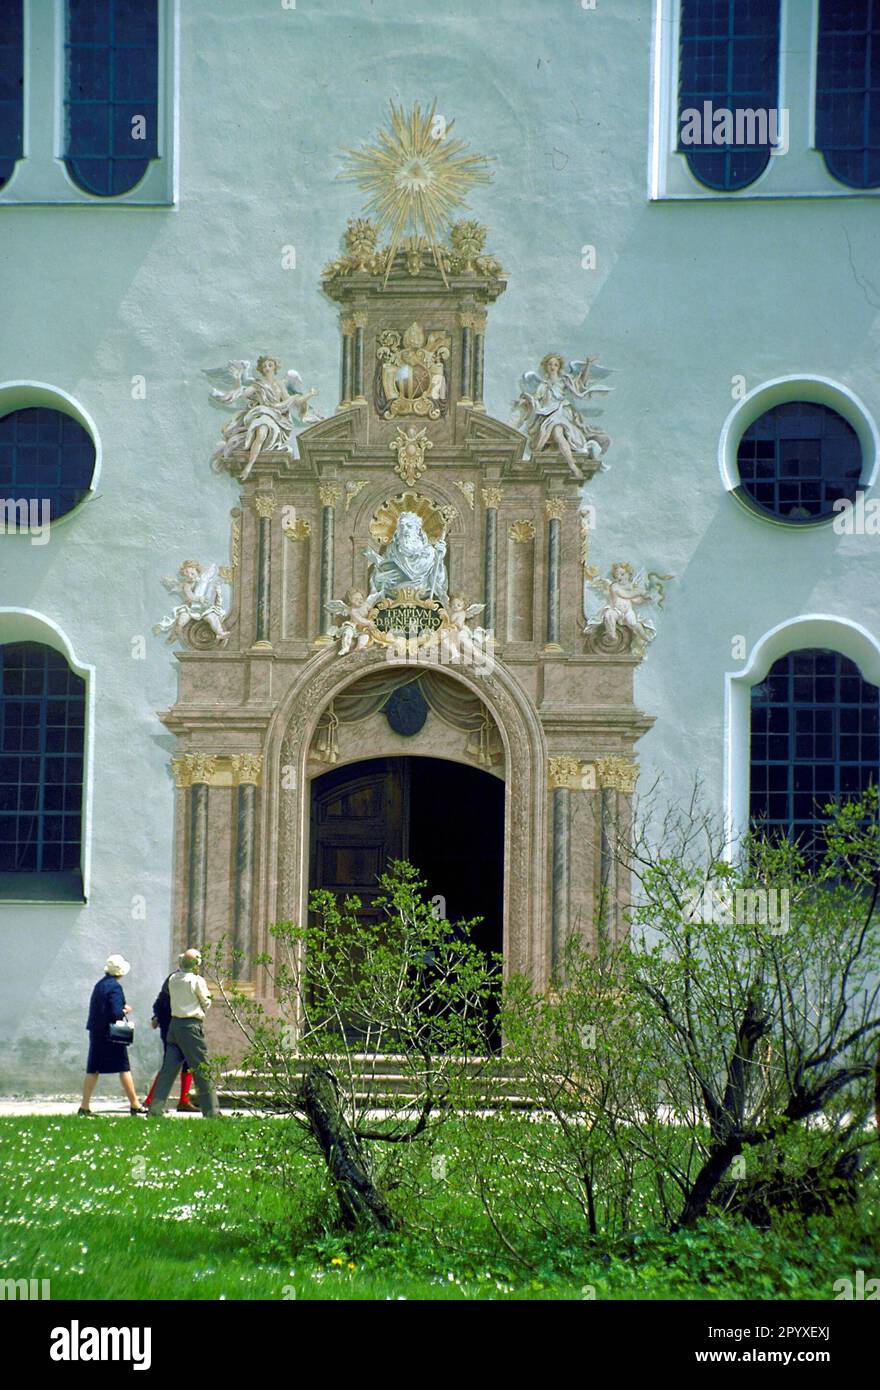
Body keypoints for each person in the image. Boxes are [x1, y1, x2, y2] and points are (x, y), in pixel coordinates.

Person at [146, 948, 221, 1119]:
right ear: (197, 964)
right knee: (202, 1068)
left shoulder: (173, 979)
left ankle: (155, 1109)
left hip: (174, 1026)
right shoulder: (196, 980)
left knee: (168, 1069)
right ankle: (212, 1111)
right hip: (191, 1026)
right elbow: (206, 1002)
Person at [79, 954, 146, 1116]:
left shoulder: (100, 985)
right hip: (111, 1035)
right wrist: (125, 1010)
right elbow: (116, 1012)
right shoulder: (115, 987)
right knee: (124, 1067)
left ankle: (84, 1106)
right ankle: (135, 1104)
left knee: (93, 1069)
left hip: (96, 1032)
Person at [143, 973, 197, 1112]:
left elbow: (159, 1002)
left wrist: (157, 1016)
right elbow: (162, 1002)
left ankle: (184, 1100)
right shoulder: (178, 979)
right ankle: (151, 1100)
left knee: (187, 1062)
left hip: (172, 1025)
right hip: (174, 1027)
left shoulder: (175, 978)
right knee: (170, 1064)